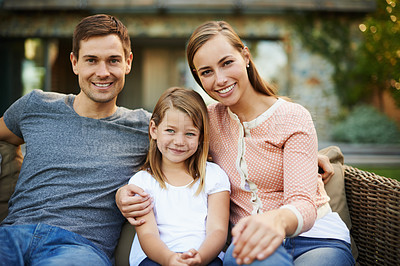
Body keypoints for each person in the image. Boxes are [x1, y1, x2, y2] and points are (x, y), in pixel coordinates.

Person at [117, 21, 354, 266]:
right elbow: (165, 135)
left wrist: (277, 218)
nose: (220, 79)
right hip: (250, 241)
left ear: (246, 56)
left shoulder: (293, 116)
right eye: (206, 72)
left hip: (315, 237)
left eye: (227, 63)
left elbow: (304, 202)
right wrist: (122, 194)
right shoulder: (206, 122)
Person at [0, 14, 151, 265]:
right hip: (11, 236)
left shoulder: (148, 128)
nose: (102, 72)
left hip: (78, 248)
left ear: (128, 62)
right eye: (91, 60)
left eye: (113, 60)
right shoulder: (35, 105)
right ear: (74, 62)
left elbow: (200, 143)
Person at [128, 87, 230, 266]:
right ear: (154, 129)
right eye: (170, 131)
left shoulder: (214, 176)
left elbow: (218, 230)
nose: (179, 142)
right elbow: (147, 234)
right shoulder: (141, 182)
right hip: (155, 258)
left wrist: (200, 258)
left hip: (205, 257)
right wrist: (169, 259)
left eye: (190, 133)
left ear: (200, 137)